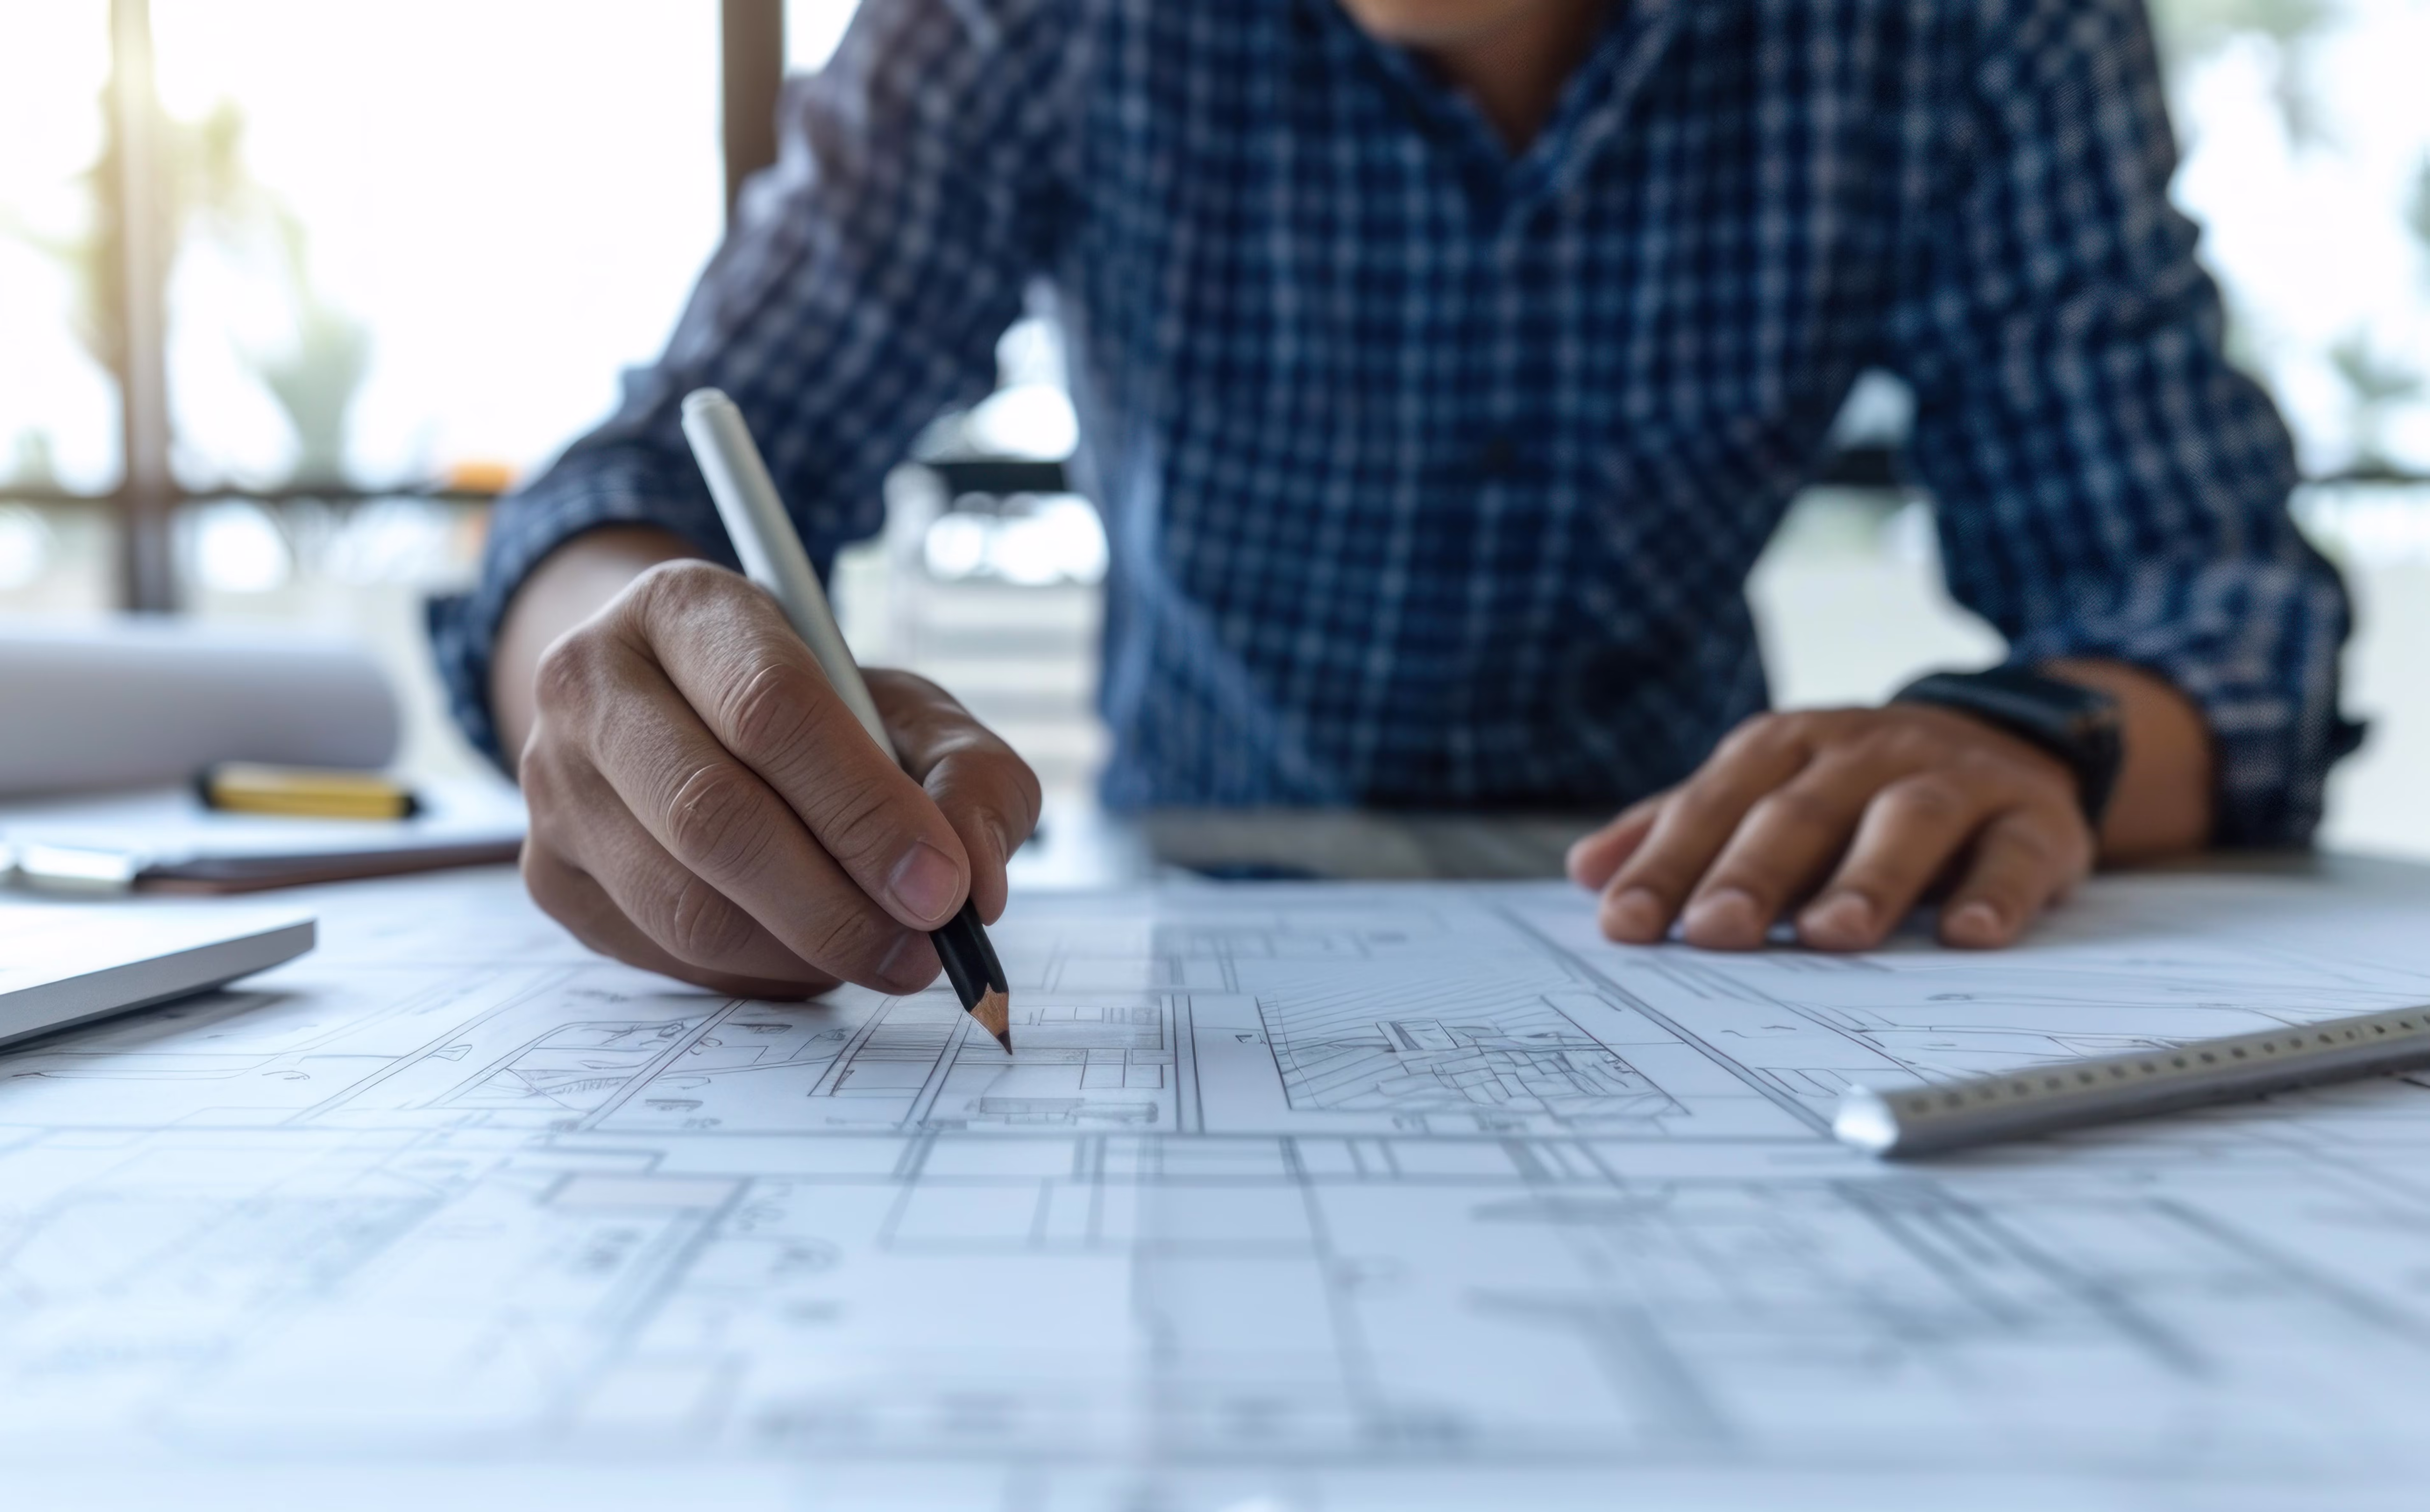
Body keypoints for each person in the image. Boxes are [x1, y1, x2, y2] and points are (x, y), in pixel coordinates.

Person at [432, 0, 2356, 1000]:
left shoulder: (1962, 29)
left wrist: (2015, 742)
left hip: (1711, 943)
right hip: (1189, 891)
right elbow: (639, 484)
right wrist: (637, 685)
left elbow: (2205, 595)